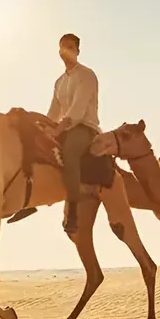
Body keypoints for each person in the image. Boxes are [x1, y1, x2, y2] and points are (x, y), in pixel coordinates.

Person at [46, 33, 101, 233]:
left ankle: (73, 212)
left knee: (70, 152)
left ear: (78, 51)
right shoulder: (59, 82)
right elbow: (53, 112)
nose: (66, 50)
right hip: (64, 128)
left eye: (70, 46)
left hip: (85, 128)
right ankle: (28, 201)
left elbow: (78, 110)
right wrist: (44, 127)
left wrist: (59, 128)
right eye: (63, 47)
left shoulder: (87, 75)